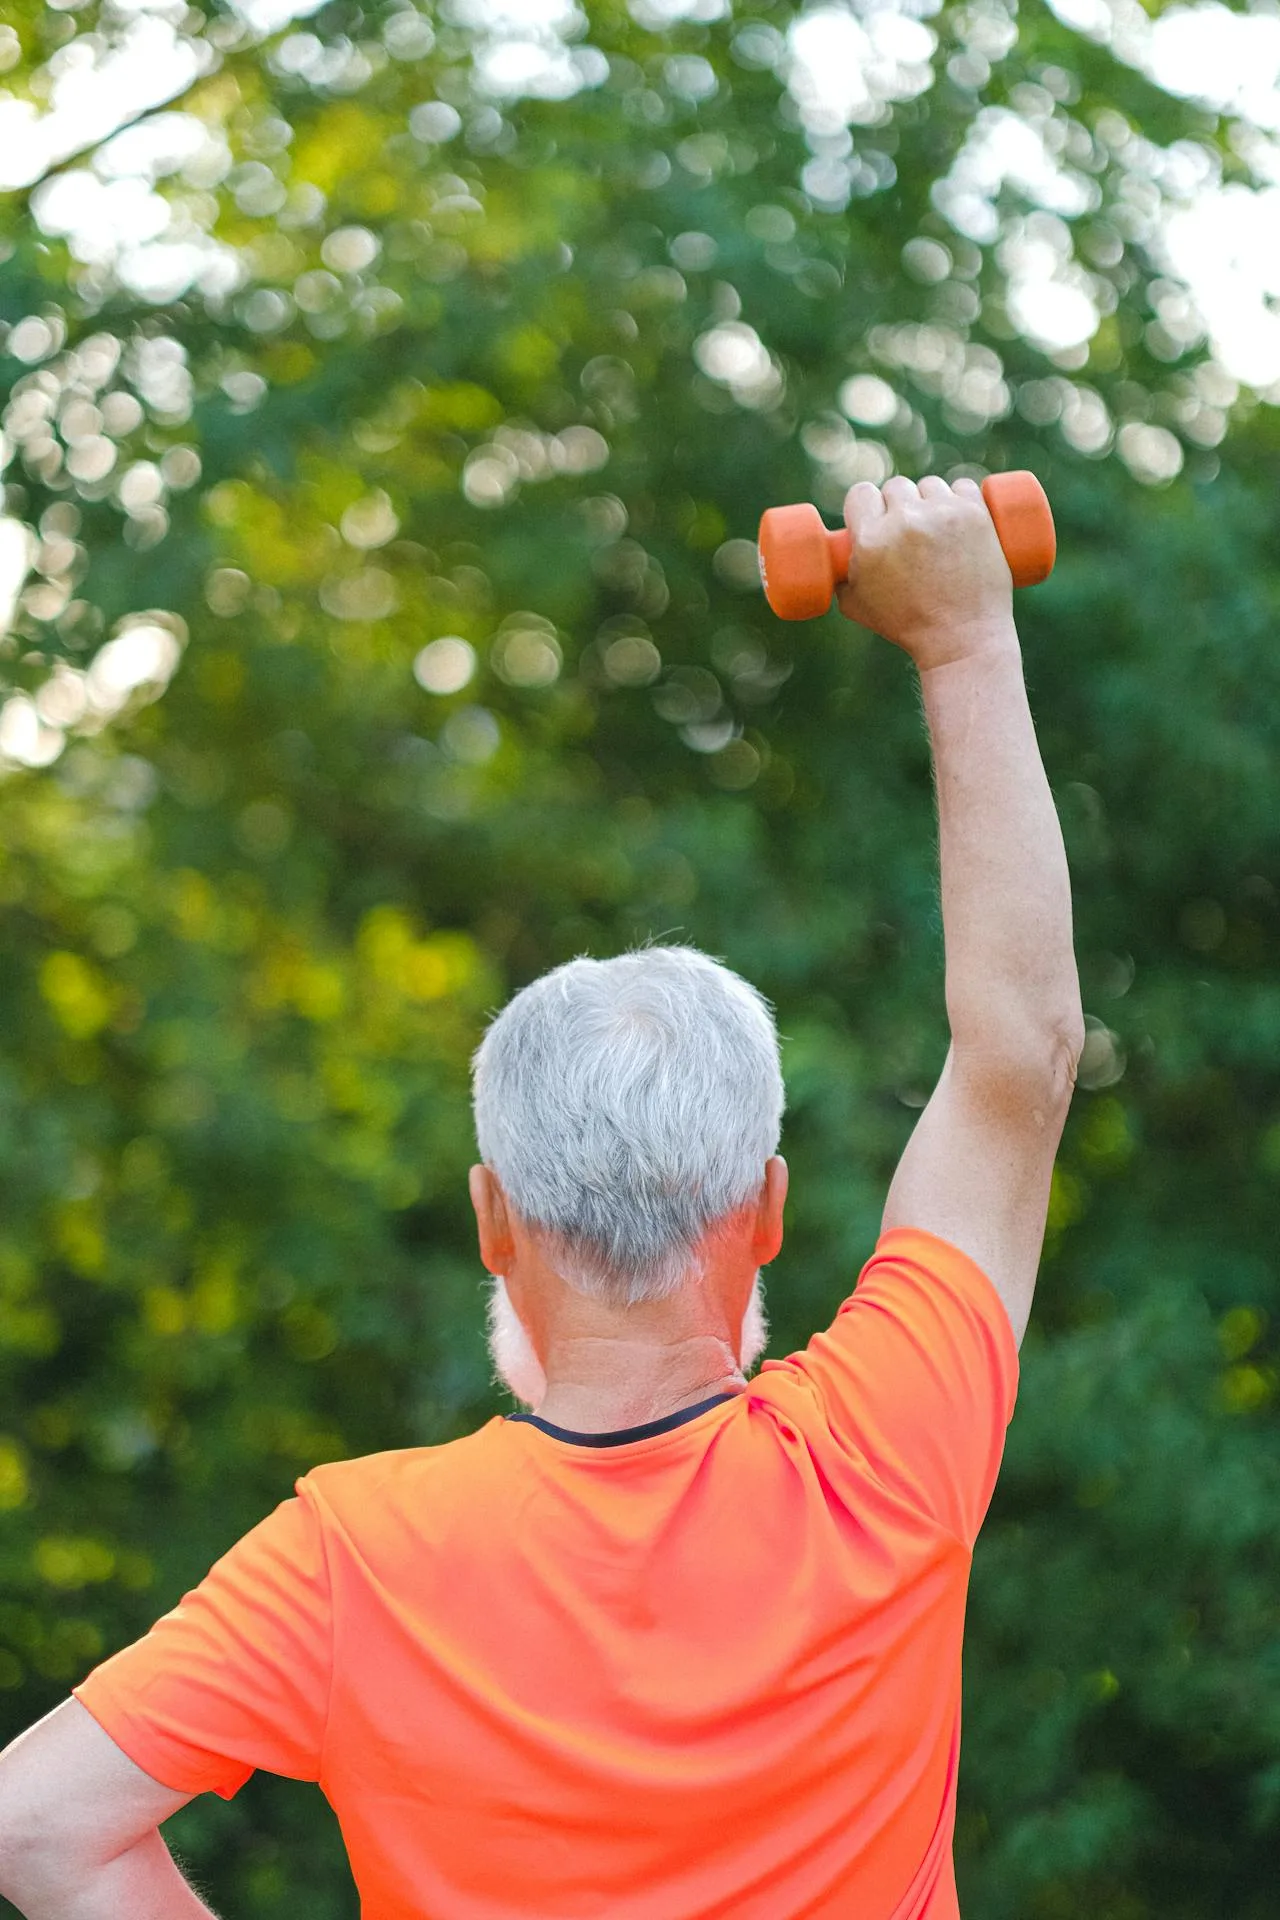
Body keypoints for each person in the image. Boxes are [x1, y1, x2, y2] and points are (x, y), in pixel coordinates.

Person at [0, 475, 1084, 1919]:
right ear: (763, 1211)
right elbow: (1023, 1052)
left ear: (492, 1219)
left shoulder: (355, 1559)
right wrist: (963, 641)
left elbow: (36, 1832)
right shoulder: (881, 1458)